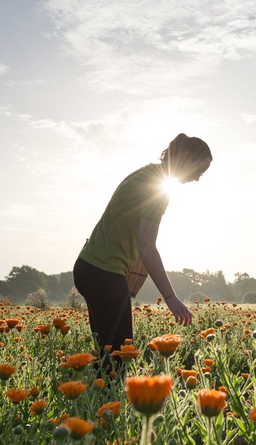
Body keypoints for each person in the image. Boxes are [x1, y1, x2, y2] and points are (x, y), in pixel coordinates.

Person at [73, 133, 212, 373]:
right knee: (118, 360)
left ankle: (94, 406)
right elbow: (147, 247)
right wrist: (170, 297)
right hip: (104, 272)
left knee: (107, 356)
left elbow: (132, 236)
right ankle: (108, 407)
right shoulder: (157, 187)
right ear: (187, 157)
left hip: (90, 267)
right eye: (200, 170)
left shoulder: (147, 173)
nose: (198, 178)